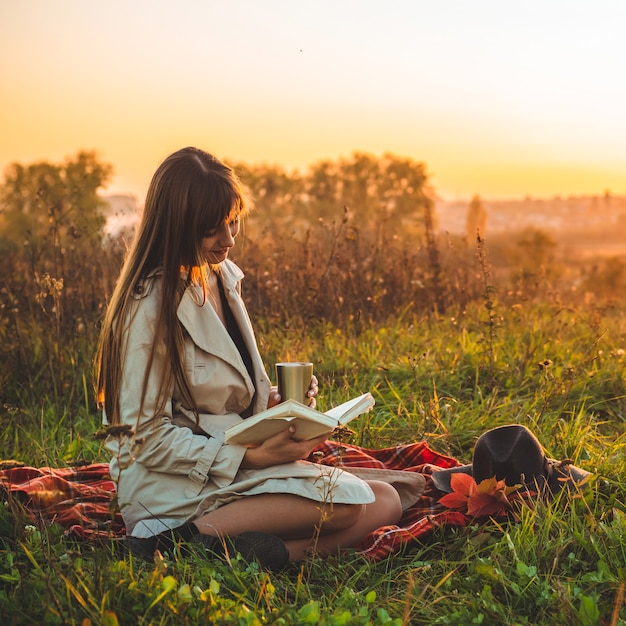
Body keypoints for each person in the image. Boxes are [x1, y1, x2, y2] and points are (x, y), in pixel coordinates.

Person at [96, 147, 423, 570]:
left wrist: (270, 405)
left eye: (233, 222)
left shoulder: (219, 277)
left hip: (231, 462)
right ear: (177, 227)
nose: (229, 240)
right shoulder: (148, 307)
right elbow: (141, 438)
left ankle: (255, 554)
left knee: (385, 501)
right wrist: (250, 457)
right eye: (213, 229)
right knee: (345, 507)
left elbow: (217, 399)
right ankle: (173, 542)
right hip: (173, 482)